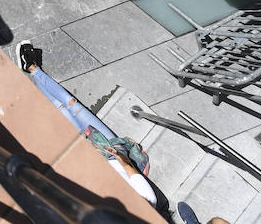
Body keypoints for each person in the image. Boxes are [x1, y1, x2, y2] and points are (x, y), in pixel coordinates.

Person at [14, 42, 158, 206]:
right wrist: (112, 153)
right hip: (109, 150)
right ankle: (33, 69)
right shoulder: (149, 200)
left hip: (87, 160)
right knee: (71, 104)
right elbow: (127, 166)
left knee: (63, 109)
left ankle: (33, 70)